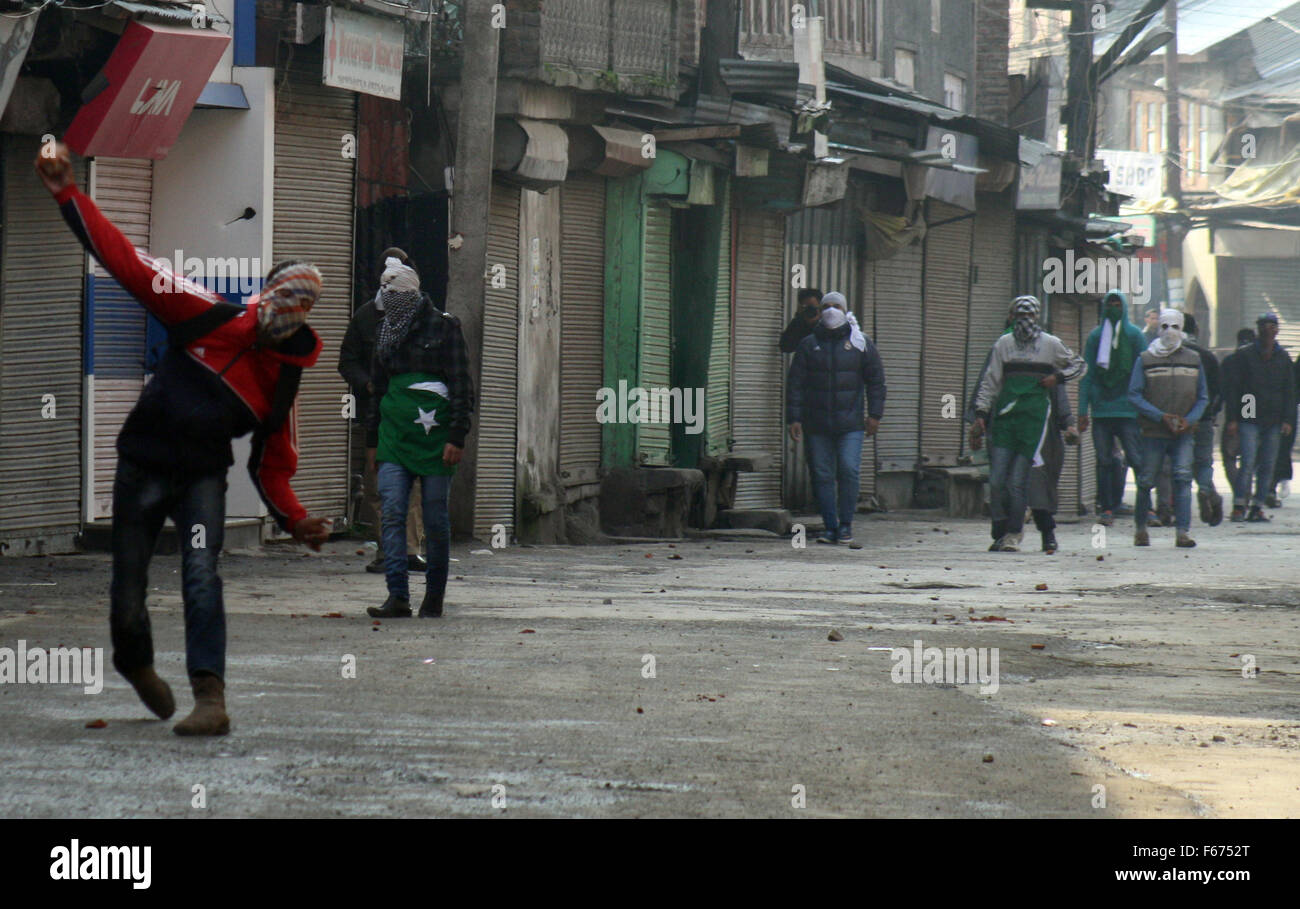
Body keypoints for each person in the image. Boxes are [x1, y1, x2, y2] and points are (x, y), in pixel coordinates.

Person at [37, 142, 332, 735]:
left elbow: (272, 464)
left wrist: (296, 519)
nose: (285, 315)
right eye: (282, 300)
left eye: (299, 309)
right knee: (128, 588)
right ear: (265, 297)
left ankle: (210, 698)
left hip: (202, 478)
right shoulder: (206, 314)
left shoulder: (282, 384)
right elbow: (127, 261)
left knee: (201, 573)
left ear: (304, 319)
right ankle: (135, 662)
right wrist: (69, 190)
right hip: (140, 468)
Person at [366, 258, 474, 618]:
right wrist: (372, 442)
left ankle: (434, 596)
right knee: (393, 513)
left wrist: (456, 436)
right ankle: (397, 595)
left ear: (411, 294)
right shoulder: (383, 332)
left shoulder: (444, 328)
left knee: (435, 518)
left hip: (435, 437)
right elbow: (377, 390)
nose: (387, 298)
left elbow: (461, 385)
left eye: (393, 292)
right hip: (394, 436)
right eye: (384, 291)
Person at [971, 296, 1085, 552]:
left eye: (1029, 315)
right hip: (1005, 421)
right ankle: (1000, 529)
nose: (1025, 321)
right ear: (1011, 317)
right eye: (1019, 316)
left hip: (1035, 425)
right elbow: (989, 382)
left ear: (1037, 317)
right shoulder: (1003, 344)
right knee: (999, 479)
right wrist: (980, 413)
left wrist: (1058, 380)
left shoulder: (1050, 345)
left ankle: (1018, 533)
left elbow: (1078, 366)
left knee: (1022, 482)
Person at [338, 247, 426, 573]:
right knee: (379, 485)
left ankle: (410, 550)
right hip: (377, 414)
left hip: (415, 415)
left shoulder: (424, 318)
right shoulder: (365, 317)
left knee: (412, 483)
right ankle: (388, 552)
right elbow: (346, 361)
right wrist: (369, 385)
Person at [786, 291, 886, 545]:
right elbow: (795, 384)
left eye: (836, 306)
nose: (831, 310)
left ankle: (846, 525)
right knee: (821, 474)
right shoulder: (809, 345)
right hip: (816, 423)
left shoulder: (861, 342)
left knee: (849, 469)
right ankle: (830, 527)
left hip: (850, 423)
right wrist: (794, 418)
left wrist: (874, 415)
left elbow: (876, 381)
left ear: (846, 309)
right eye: (826, 306)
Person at [1127, 309, 1209, 548]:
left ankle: (1182, 532)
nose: (1170, 332)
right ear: (1157, 329)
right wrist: (1159, 416)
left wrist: (1190, 420)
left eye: (1175, 326)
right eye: (1165, 326)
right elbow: (1134, 394)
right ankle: (1141, 529)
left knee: (1183, 479)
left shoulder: (1194, 360)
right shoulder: (1146, 359)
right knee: (1145, 481)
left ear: (1182, 329)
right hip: (1154, 432)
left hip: (1183, 432)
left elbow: (1203, 397)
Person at [1077, 291, 1147, 527]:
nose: (1114, 308)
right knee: (1104, 461)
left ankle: (1145, 507)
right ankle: (1107, 507)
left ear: (1124, 307)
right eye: (1110, 305)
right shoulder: (1096, 337)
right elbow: (1087, 374)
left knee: (1137, 460)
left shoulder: (1135, 335)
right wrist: (1082, 410)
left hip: (1129, 410)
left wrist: (1146, 407)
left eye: (1118, 304)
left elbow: (1145, 371)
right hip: (1101, 410)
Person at [1222, 313, 1296, 522]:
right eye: (1264, 326)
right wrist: (1233, 419)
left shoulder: (1283, 358)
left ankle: (1257, 506)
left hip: (1274, 418)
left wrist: (1288, 420)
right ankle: (1239, 505)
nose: (1268, 330)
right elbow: (1235, 389)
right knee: (1248, 461)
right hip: (1249, 413)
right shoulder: (1245, 356)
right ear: (1258, 330)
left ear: (1277, 330)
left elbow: (1289, 391)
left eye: (1272, 326)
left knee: (1268, 464)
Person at [1181, 314, 1224, 525]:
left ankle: (1172, 508)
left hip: (1177, 421)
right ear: (1196, 330)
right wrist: (1211, 413)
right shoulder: (1207, 356)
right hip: (1204, 418)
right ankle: (1207, 491)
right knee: (1203, 462)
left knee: (1179, 464)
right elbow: (1218, 390)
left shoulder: (1167, 355)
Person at [1220, 327, 1256, 493]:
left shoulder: (1229, 361)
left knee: (1229, 456)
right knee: (1249, 459)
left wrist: (1216, 412)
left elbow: (1221, 390)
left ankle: (1240, 491)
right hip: (1253, 416)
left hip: (1233, 416)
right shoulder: (1260, 362)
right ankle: (1245, 491)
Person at [779, 287, 823, 353]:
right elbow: (785, 347)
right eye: (806, 307)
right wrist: (799, 318)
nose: (809, 310)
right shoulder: (799, 323)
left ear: (820, 307)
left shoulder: (826, 324)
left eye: (811, 307)